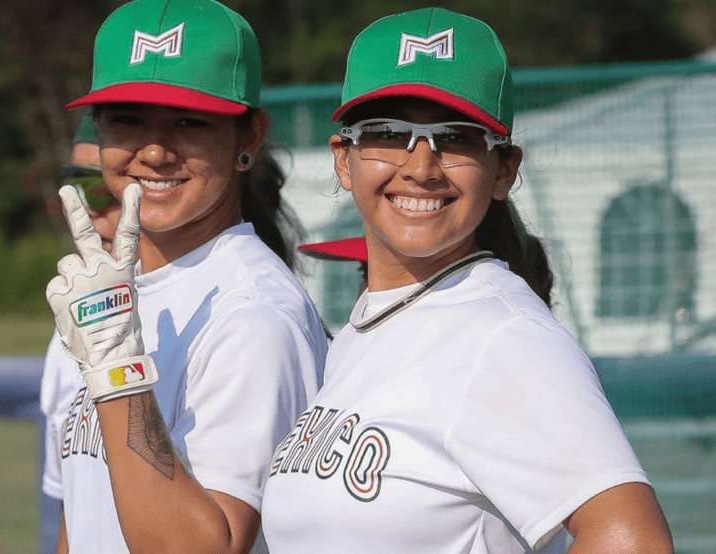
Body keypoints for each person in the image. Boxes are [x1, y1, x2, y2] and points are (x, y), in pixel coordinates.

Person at [261, 8, 673, 554]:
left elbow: (631, 540)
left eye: (456, 138)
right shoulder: (376, 321)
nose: (422, 166)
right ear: (344, 159)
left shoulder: (502, 334)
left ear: (503, 170)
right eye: (388, 132)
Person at [43, 1, 328, 553]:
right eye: (128, 119)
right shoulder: (114, 292)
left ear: (250, 136)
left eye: (189, 121)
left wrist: (117, 372)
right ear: (98, 131)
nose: (154, 150)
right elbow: (83, 519)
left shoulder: (254, 314)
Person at [38, 106, 120, 554]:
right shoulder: (67, 330)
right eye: (77, 186)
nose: (88, 210)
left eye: (105, 189)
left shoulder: (237, 309)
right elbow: (73, 513)